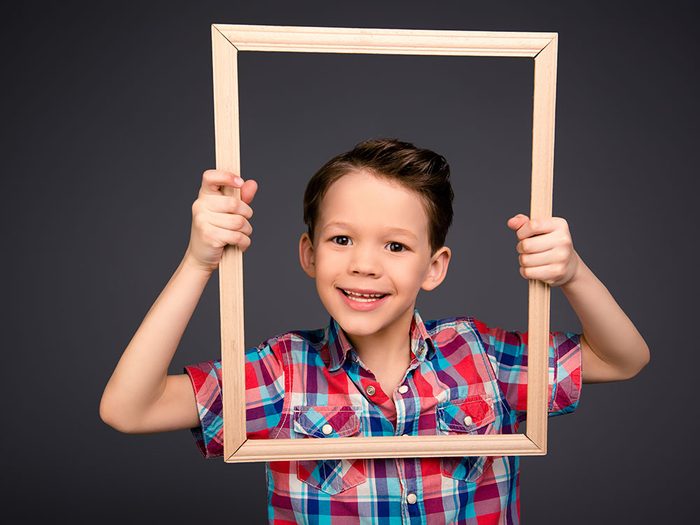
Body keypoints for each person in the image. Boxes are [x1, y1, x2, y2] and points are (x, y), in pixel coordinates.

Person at [100, 138, 650, 524]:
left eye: (395, 245)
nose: (364, 265)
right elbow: (130, 408)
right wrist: (199, 262)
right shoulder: (282, 374)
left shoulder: (479, 357)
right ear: (309, 254)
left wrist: (572, 272)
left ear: (433, 267)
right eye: (342, 240)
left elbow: (622, 358)